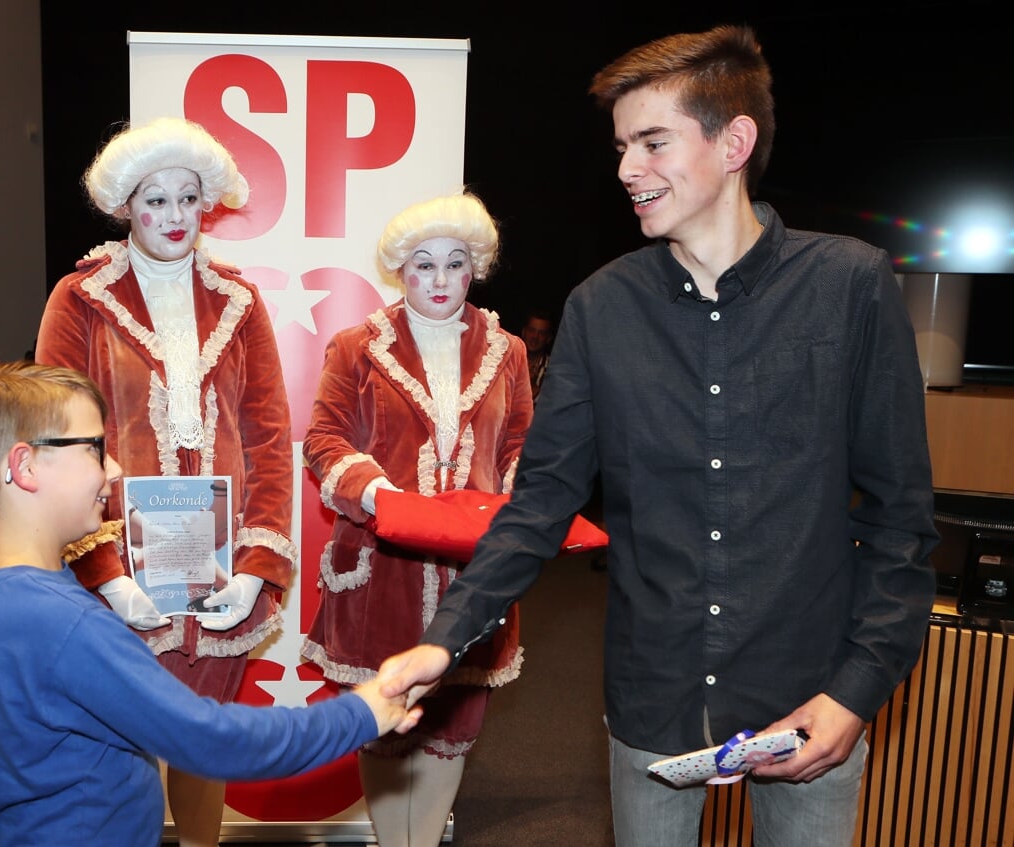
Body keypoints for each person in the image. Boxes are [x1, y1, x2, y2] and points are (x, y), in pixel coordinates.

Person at [379, 25, 938, 847]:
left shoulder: (848, 285)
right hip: (654, 693)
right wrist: (442, 640)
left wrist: (856, 691)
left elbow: (899, 518)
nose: (624, 170)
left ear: (733, 141)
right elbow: (538, 504)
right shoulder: (600, 308)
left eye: (651, 142)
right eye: (619, 146)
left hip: (811, 694)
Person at [0, 362, 421, 847]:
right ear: (25, 467)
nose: (116, 469)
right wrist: (364, 712)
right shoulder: (69, 626)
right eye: (95, 449)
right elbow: (213, 742)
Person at [34, 116, 294, 845]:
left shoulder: (240, 302)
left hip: (216, 571)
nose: (174, 217)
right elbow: (59, 439)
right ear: (124, 206)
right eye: (155, 200)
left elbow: (270, 437)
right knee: (117, 748)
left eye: (187, 198)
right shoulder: (79, 299)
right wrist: (105, 572)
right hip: (117, 565)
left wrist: (256, 564)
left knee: (202, 741)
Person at [299, 192, 530, 846]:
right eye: (422, 264)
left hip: (474, 574)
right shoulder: (355, 347)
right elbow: (323, 440)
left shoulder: (507, 351)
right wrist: (377, 495)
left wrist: (512, 503)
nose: (437, 279)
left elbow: (520, 445)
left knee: (453, 727)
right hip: (382, 573)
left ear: (473, 269)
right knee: (385, 723)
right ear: (400, 269)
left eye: (454, 264)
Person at [520, 308, 555, 405]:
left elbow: (551, 404)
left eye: (542, 333)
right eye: (532, 330)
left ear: (548, 338)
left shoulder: (553, 370)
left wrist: (531, 385)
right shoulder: (508, 359)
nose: (535, 337)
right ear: (524, 332)